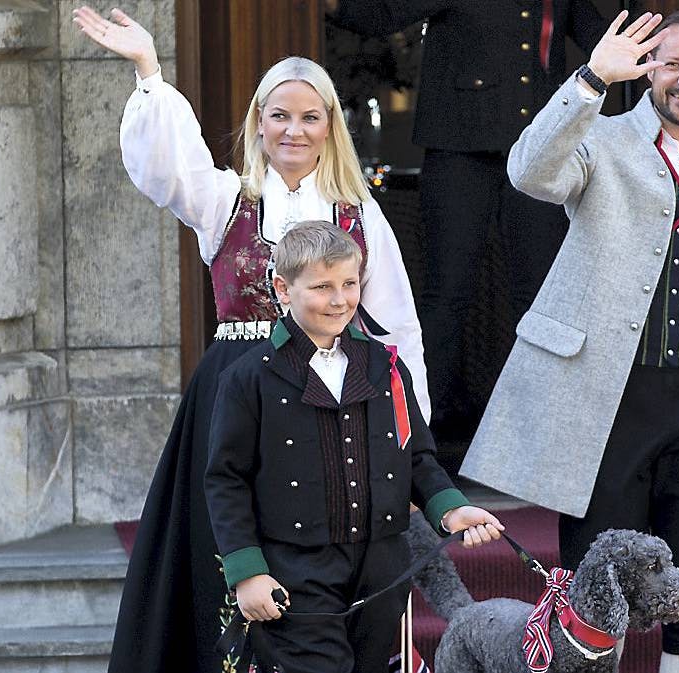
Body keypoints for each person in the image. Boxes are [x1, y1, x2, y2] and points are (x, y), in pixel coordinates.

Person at [70, 8, 429, 673]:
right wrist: (149, 70)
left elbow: (396, 330)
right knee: (226, 553)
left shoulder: (359, 212)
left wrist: (409, 446)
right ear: (259, 123)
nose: (294, 129)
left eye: (310, 116)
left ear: (330, 127)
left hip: (334, 396)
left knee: (318, 555)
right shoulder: (225, 200)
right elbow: (167, 166)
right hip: (238, 389)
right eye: (280, 115)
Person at [460, 11, 679, 673]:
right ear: (648, 70)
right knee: (594, 578)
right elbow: (530, 171)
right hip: (606, 398)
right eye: (671, 63)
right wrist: (587, 81)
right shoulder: (600, 140)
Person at [206, 221, 501, 673]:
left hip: (380, 570)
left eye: (349, 283)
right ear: (283, 289)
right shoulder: (249, 378)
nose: (340, 299)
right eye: (322, 287)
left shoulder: (386, 366)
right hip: (295, 571)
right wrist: (246, 571)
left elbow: (416, 455)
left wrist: (449, 509)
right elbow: (227, 480)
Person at [326, 0, 607, 439]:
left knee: (542, 303)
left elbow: (603, 38)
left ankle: (540, 444)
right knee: (446, 299)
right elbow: (380, 15)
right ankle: (417, 446)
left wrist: (668, 55)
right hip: (457, 149)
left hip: (537, 155)